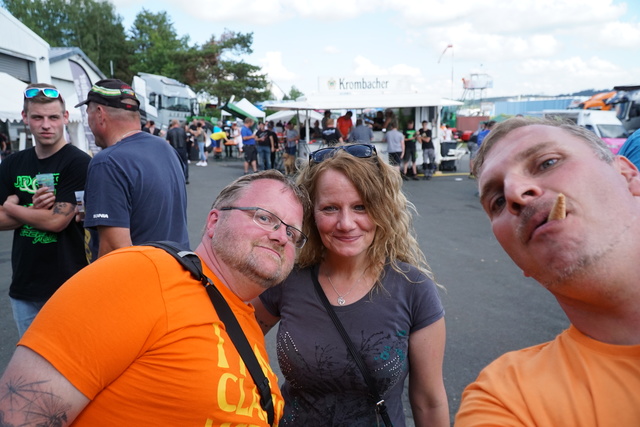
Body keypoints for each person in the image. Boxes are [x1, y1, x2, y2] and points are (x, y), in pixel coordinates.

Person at [0, 170, 310, 426]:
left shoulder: (248, 324)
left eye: (293, 233)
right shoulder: (143, 272)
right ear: (214, 221)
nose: (280, 236)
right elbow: (24, 412)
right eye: (264, 217)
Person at [455, 117, 640, 426]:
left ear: (627, 174)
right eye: (497, 201)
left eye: (547, 163)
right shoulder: (507, 399)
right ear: (519, 261)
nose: (515, 192)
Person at [252, 144, 448, 426]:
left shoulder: (414, 288)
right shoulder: (287, 280)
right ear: (311, 213)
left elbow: (429, 402)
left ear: (383, 209)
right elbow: (232, 344)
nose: (346, 223)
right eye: (330, 208)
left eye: (361, 207)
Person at [0, 83, 91, 337]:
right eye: (37, 117)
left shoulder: (78, 162)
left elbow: (56, 222)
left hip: (68, 285)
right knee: (29, 364)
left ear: (64, 118)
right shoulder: (13, 163)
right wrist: (34, 210)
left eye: (53, 117)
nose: (46, 125)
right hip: (24, 287)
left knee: (71, 365)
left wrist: (11, 206)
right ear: (25, 118)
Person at [75, 79, 189, 259]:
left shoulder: (107, 162)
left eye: (87, 112)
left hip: (140, 281)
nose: (87, 120)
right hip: (174, 273)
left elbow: (114, 251)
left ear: (99, 114)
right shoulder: (165, 149)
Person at [166, 119, 189, 184]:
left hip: (174, 149)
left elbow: (168, 142)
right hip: (182, 149)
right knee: (184, 163)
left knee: (175, 164)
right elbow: (187, 139)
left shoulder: (170, 131)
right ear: (178, 124)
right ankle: (185, 178)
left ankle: (176, 178)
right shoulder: (182, 131)